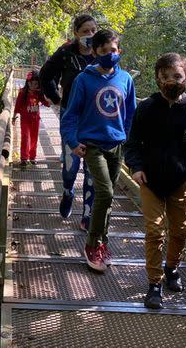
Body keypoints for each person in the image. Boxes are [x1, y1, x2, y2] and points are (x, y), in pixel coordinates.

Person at [124, 52, 186, 308]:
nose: (170, 81)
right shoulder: (147, 108)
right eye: (164, 77)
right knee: (154, 231)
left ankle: (172, 268)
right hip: (150, 181)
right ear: (157, 80)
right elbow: (132, 143)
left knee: (180, 231)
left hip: (180, 182)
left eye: (176, 76)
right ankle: (155, 284)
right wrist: (136, 168)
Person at [60, 29, 136, 272]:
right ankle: (92, 244)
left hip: (117, 145)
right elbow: (70, 115)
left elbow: (131, 114)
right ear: (94, 53)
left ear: (119, 51)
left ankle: (102, 242)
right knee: (104, 192)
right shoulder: (84, 79)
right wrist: (73, 141)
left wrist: (129, 143)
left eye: (112, 51)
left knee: (109, 196)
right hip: (92, 146)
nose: (109, 55)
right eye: (103, 51)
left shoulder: (126, 79)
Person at [40, 14, 98, 231]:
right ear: (76, 33)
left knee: (91, 168)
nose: (90, 35)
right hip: (71, 117)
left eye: (93, 30)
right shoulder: (66, 52)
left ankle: (88, 214)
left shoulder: (101, 52)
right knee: (70, 167)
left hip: (95, 120)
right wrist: (57, 99)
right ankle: (67, 192)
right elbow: (46, 75)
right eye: (85, 31)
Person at [14, 70, 50, 166]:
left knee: (34, 139)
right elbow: (17, 105)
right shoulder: (22, 92)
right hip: (25, 119)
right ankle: (24, 158)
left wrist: (48, 98)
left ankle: (32, 157)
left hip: (35, 119)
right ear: (28, 83)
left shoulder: (39, 93)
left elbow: (46, 103)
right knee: (25, 137)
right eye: (32, 83)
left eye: (36, 84)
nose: (34, 86)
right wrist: (14, 116)